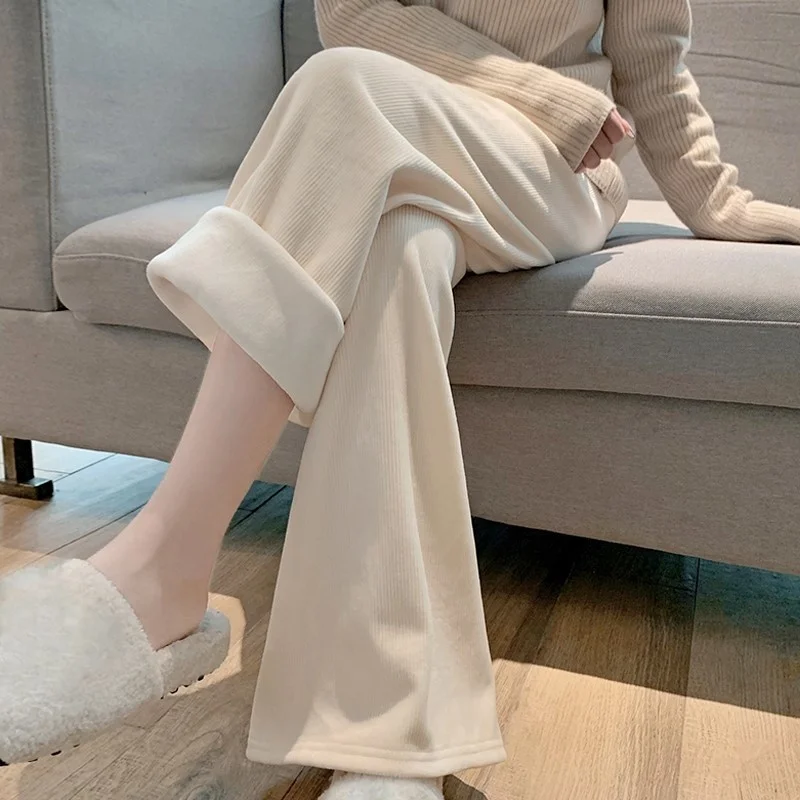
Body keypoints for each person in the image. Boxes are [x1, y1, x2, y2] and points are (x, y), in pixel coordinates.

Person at [1, 0, 798, 796]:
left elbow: (654, 66)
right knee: (398, 249)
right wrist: (544, 92)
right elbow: (356, 15)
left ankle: (161, 567)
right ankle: (387, 736)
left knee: (342, 88)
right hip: (403, 131)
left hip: (550, 169)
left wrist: (722, 205)